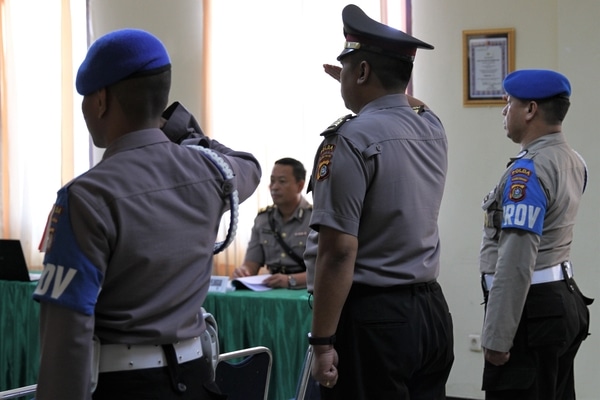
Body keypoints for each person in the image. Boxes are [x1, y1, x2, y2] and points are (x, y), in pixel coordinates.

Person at [32, 28, 261, 400]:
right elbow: (248, 164)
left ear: (101, 100)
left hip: (126, 387)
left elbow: (68, 331)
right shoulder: (211, 174)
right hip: (198, 381)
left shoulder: (87, 196)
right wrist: (183, 130)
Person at [305, 4, 454, 399]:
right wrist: (370, 81)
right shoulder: (431, 126)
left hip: (373, 320)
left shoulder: (348, 140)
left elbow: (337, 252)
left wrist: (321, 343)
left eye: (351, 68)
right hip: (431, 315)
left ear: (364, 71)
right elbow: (411, 102)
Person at [479, 69, 593, 400]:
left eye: (509, 103)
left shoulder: (527, 173)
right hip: (561, 299)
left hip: (531, 311)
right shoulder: (573, 160)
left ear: (530, 110)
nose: (504, 111)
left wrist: (498, 337)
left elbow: (516, 260)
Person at [232, 157, 312, 289]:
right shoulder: (263, 219)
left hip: (305, 291)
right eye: (272, 181)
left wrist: (291, 280)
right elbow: (251, 264)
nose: (274, 187)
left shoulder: (314, 220)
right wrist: (243, 271)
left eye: (282, 181)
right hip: (272, 288)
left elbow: (325, 270)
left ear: (300, 186)